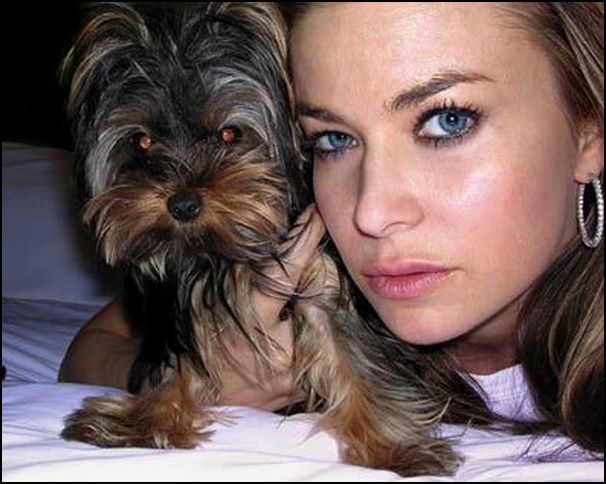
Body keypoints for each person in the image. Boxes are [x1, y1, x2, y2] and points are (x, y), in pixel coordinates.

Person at [60, 2, 604, 456]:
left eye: (448, 120)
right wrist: (190, 380)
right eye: (333, 139)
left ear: (590, 133)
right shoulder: (297, 255)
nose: (370, 210)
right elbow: (91, 348)